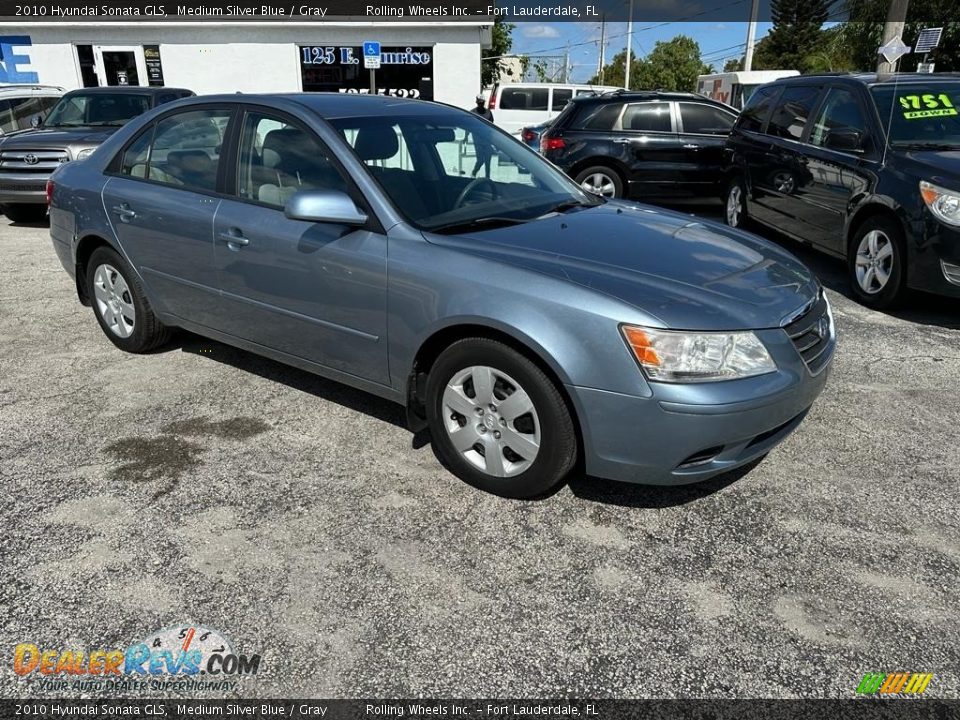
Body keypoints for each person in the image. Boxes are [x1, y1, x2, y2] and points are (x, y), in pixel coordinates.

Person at [470, 94, 494, 179]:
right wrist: (465, 137)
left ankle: (488, 178)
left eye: (482, 103)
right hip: (478, 141)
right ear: (476, 102)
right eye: (479, 103)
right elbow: (468, 126)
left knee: (488, 162)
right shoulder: (472, 113)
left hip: (487, 140)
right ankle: (474, 173)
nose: (481, 104)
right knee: (480, 160)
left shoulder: (488, 112)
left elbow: (492, 126)